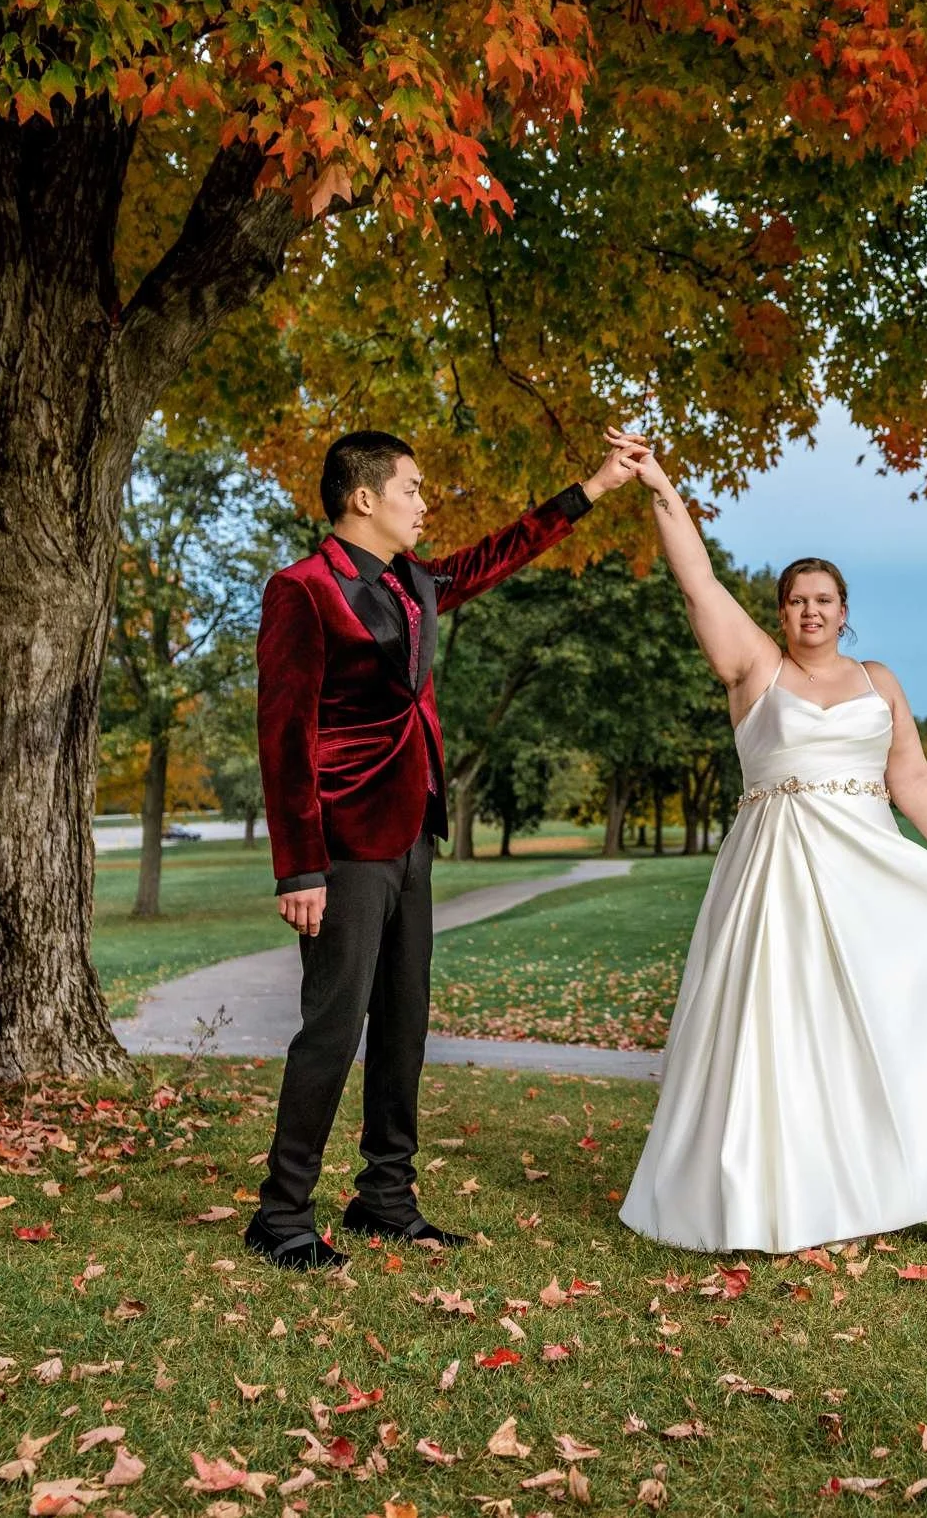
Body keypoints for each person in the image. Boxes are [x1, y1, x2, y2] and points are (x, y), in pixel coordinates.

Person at [247, 429, 643, 1269]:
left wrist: (594, 487)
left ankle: (384, 1198)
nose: (426, 503)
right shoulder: (302, 591)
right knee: (332, 1028)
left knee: (403, 1027)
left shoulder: (412, 582)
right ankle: (281, 1214)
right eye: (414, 489)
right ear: (364, 498)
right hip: (344, 845)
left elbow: (500, 555)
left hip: (412, 838)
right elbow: (284, 736)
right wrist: (300, 866)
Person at [615, 435, 927, 1256]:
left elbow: (915, 781)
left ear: (844, 608)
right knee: (782, 1034)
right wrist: (659, 484)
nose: (811, 611)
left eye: (824, 598)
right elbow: (698, 581)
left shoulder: (879, 681)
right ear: (780, 611)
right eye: (797, 599)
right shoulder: (755, 672)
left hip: (870, 874)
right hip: (777, 876)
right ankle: (773, 1197)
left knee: (900, 1014)